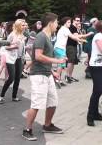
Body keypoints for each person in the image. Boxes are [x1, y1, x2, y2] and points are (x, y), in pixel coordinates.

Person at [22, 13, 66, 141]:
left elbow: (44, 57)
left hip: (47, 74)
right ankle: (27, 130)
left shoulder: (48, 36)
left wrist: (52, 71)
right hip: (38, 76)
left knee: (53, 102)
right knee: (36, 104)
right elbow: (38, 56)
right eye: (57, 23)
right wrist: (57, 61)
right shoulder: (41, 36)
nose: (57, 26)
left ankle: (47, 125)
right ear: (50, 23)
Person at [53, 17, 88, 87]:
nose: (70, 23)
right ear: (65, 23)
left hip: (61, 48)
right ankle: (57, 79)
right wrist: (83, 40)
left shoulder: (66, 29)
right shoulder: (64, 29)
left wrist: (81, 40)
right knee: (60, 65)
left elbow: (73, 36)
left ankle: (58, 79)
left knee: (61, 65)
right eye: (68, 22)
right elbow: (73, 37)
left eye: (70, 22)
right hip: (59, 48)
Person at [0, 19, 26, 104]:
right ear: (18, 26)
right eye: (23, 25)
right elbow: (5, 47)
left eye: (25, 25)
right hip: (11, 59)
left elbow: (22, 48)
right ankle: (1, 96)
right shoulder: (12, 35)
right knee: (11, 78)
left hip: (19, 58)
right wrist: (13, 47)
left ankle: (14, 96)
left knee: (17, 78)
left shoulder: (22, 35)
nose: (24, 26)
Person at [65, 16, 91, 83]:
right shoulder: (72, 27)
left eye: (79, 20)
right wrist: (87, 35)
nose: (78, 21)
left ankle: (70, 76)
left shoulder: (75, 28)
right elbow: (76, 36)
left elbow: (77, 38)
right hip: (70, 46)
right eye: (76, 20)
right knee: (70, 61)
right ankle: (67, 76)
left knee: (73, 62)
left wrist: (82, 40)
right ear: (73, 20)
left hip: (74, 46)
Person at [87, 20, 102, 126]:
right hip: (96, 67)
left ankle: (96, 113)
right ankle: (90, 116)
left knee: (99, 90)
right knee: (98, 90)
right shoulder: (98, 36)